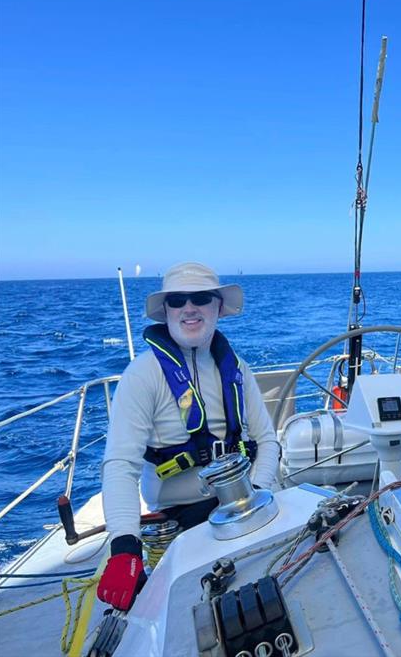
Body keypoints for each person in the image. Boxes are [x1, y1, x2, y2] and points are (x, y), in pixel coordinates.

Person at [97, 262, 280, 611]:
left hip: (245, 502)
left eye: (200, 298)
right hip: (175, 517)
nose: (189, 308)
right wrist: (124, 547)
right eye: (178, 300)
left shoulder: (238, 370)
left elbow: (268, 441)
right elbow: (120, 465)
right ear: (166, 311)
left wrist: (256, 494)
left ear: (218, 307)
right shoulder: (142, 376)